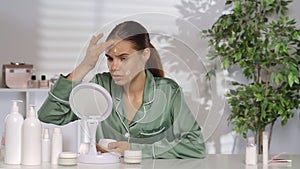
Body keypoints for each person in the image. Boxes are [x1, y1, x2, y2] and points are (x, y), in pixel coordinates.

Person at [38, 21, 206, 159]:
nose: (114, 66)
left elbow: (195, 146)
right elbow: (50, 115)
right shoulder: (99, 87)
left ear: (145, 54)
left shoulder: (169, 92)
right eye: (110, 59)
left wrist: (134, 149)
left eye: (123, 58)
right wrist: (85, 65)